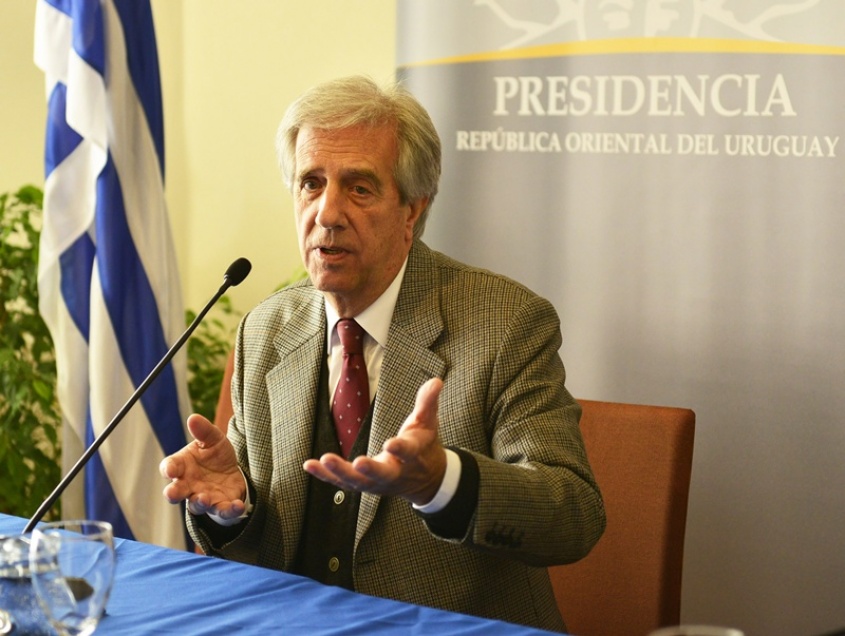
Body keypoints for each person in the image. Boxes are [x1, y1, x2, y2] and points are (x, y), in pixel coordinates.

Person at [160, 75, 605, 632]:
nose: (327, 213)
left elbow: (572, 512)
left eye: (359, 188)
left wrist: (443, 482)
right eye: (311, 183)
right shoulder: (266, 330)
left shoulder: (505, 323)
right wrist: (235, 509)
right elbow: (259, 550)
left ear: (412, 211)